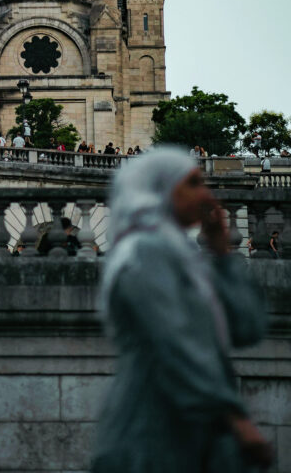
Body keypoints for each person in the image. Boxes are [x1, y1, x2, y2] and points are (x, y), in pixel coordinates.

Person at [91, 147, 272, 472]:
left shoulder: (185, 256)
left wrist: (222, 252)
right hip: (148, 433)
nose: (206, 192)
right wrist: (236, 416)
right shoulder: (143, 253)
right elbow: (172, 341)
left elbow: (248, 327)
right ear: (163, 189)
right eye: (192, 183)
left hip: (196, 433)